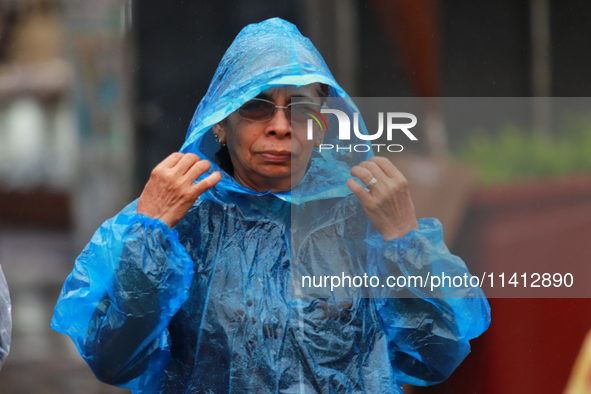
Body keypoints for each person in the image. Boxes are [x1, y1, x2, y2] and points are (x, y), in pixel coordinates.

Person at [51, 18, 490, 394]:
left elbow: (437, 356)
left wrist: (402, 241)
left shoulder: (364, 214)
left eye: (300, 109)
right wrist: (148, 234)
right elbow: (112, 360)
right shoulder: (178, 215)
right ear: (220, 123)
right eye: (258, 107)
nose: (281, 127)